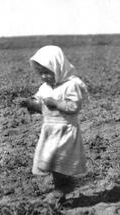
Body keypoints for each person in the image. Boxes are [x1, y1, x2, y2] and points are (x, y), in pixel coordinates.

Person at [17, 46, 88, 204]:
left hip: (65, 129)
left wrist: (55, 103)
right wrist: (30, 103)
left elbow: (73, 107)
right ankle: (62, 187)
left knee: (59, 161)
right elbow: (42, 106)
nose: (44, 76)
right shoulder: (45, 88)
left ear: (59, 67)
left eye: (48, 72)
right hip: (50, 130)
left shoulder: (71, 85)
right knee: (51, 160)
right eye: (41, 73)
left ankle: (61, 189)